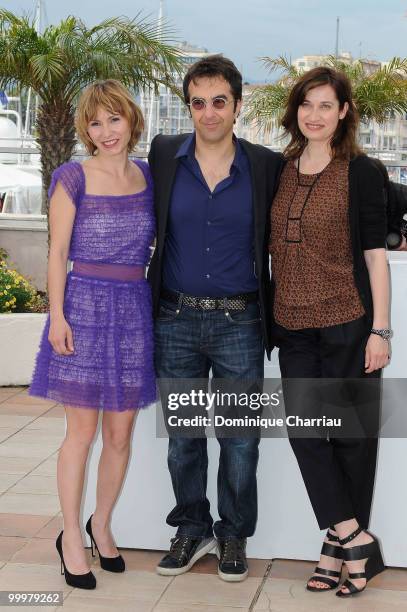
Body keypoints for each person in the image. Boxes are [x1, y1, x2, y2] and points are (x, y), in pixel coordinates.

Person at [147, 55, 282, 582]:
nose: (208, 113)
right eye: (198, 103)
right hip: (174, 320)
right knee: (183, 438)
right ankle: (191, 527)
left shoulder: (265, 165)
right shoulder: (162, 156)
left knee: (240, 440)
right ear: (189, 106)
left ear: (237, 105)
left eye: (219, 102)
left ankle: (232, 536)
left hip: (240, 324)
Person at [30, 80, 155, 589]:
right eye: (96, 122)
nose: (106, 131)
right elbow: (57, 251)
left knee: (120, 434)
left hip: (133, 310)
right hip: (81, 308)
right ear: (86, 129)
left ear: (131, 120)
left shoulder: (149, 175)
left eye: (115, 119)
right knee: (80, 434)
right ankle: (71, 540)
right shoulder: (71, 176)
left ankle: (100, 523)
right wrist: (57, 316)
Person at [269, 66, 390, 597]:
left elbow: (374, 254)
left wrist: (381, 331)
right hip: (291, 325)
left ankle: (336, 548)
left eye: (325, 105)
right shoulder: (282, 167)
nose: (314, 114)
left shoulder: (361, 171)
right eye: (306, 104)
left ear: (344, 112)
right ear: (296, 111)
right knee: (306, 433)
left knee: (349, 440)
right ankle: (353, 535)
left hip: (346, 320)